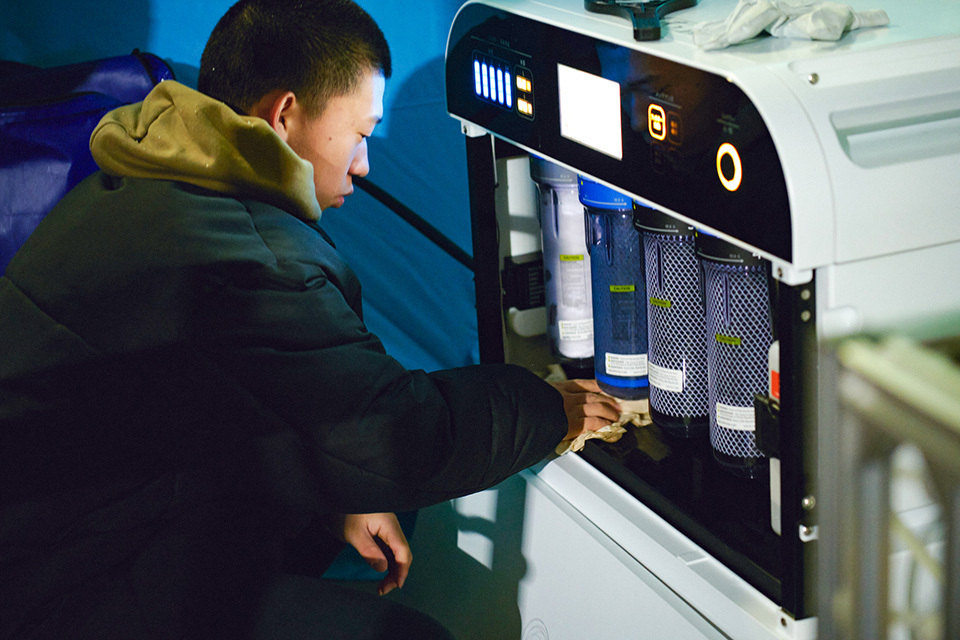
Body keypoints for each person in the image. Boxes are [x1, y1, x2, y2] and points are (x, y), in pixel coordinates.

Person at [0, 1, 622, 638]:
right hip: (64, 588)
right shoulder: (246, 253)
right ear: (285, 114)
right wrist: (549, 409)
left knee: (311, 532)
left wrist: (335, 493)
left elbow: (214, 403)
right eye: (359, 135)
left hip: (72, 536)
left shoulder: (147, 181)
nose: (363, 164)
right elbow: (392, 435)